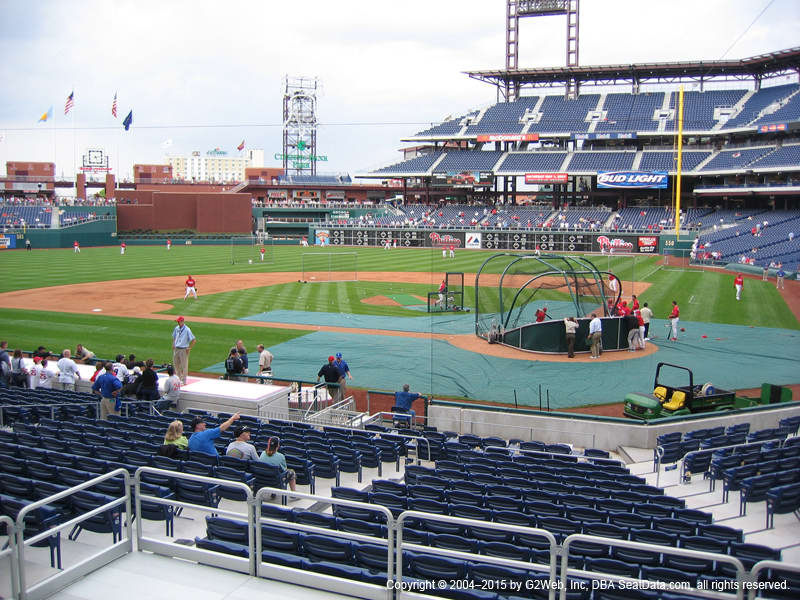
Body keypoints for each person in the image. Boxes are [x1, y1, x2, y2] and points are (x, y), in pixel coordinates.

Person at [172, 316, 196, 384]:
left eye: (179, 321)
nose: (178, 323)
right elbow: (174, 336)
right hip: (176, 348)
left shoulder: (187, 330)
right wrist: (173, 343)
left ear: (182, 321)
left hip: (183, 349)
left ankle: (184, 380)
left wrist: (189, 348)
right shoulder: (176, 328)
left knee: (184, 365)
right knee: (176, 364)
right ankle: (178, 378)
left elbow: (194, 340)